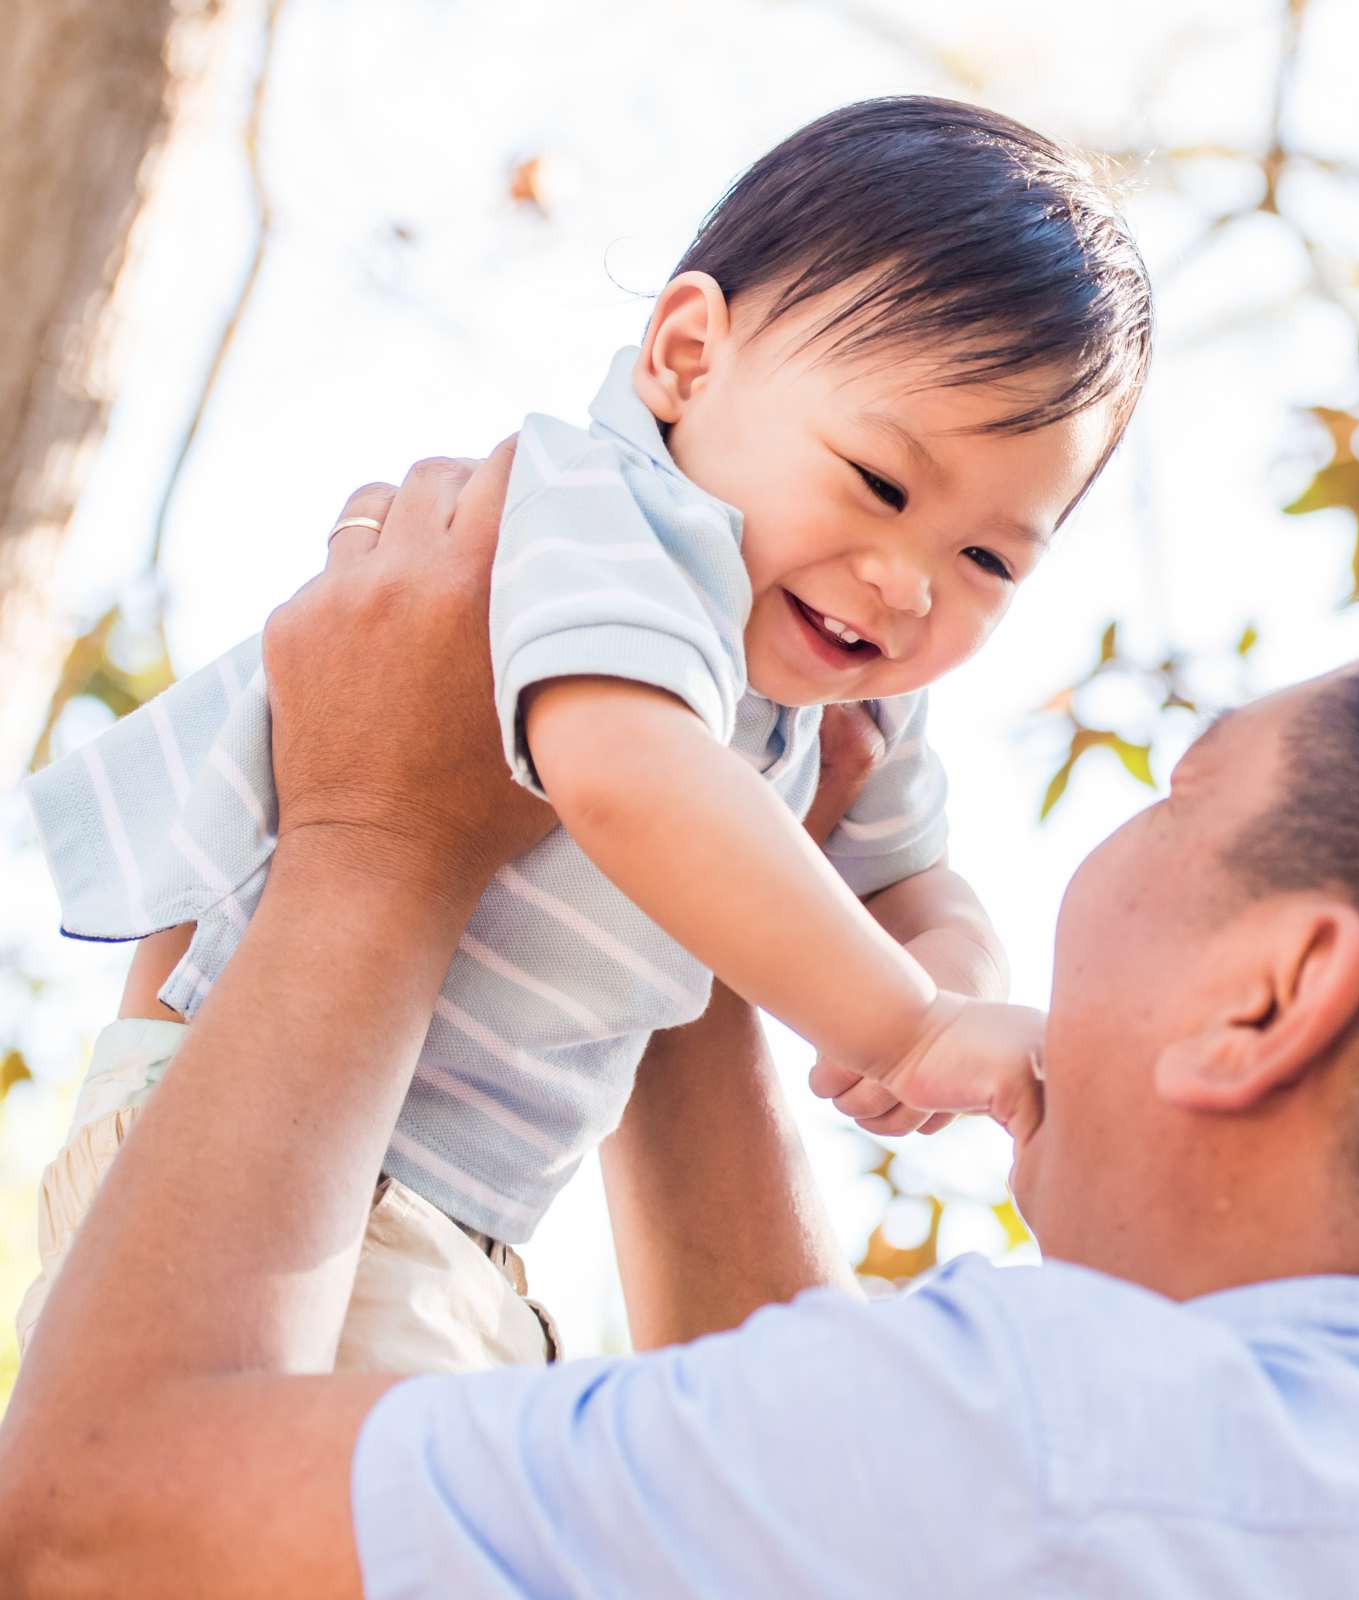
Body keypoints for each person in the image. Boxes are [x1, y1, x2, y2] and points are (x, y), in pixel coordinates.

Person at [0, 449, 1359, 1597]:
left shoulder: (1066, 1447)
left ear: (1270, 997)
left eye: (1174, 795)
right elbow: (783, 1518)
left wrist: (374, 839)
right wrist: (680, 877)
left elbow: (96, 1530)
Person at [13, 96, 1152, 1371]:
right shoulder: (607, 510)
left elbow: (912, 874)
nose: (906, 581)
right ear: (684, 356)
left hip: (441, 1202)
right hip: (244, 1118)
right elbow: (624, 772)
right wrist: (910, 1031)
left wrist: (955, 975)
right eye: (879, 484)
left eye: (990, 558)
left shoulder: (851, 685)